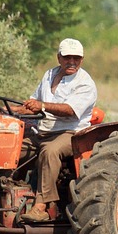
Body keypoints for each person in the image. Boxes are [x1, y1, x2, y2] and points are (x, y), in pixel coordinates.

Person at [16, 38, 98, 223]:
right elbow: (32, 103)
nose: (72, 62)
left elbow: (70, 110)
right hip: (43, 131)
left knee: (50, 151)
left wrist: (42, 105)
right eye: (67, 57)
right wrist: (9, 111)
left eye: (76, 58)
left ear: (82, 59)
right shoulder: (49, 75)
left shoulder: (85, 83)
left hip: (71, 133)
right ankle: (8, 192)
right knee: (12, 147)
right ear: (59, 57)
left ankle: (41, 206)